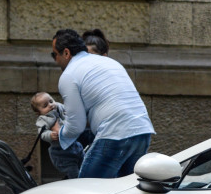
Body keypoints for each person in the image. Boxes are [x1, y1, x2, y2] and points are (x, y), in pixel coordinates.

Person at [51, 29, 154, 179]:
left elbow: (76, 125)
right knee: (124, 193)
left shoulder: (69, 74)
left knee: (87, 191)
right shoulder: (109, 62)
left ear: (66, 53)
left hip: (114, 135)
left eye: (55, 55)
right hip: (142, 131)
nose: (55, 60)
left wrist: (60, 135)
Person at [31, 91, 86, 179]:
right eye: (45, 106)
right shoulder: (43, 119)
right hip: (61, 152)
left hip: (75, 145)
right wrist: (50, 135)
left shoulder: (59, 107)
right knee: (73, 172)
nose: (50, 105)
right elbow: (42, 133)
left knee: (84, 165)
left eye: (51, 101)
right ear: (39, 113)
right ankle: (75, 182)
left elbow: (69, 111)